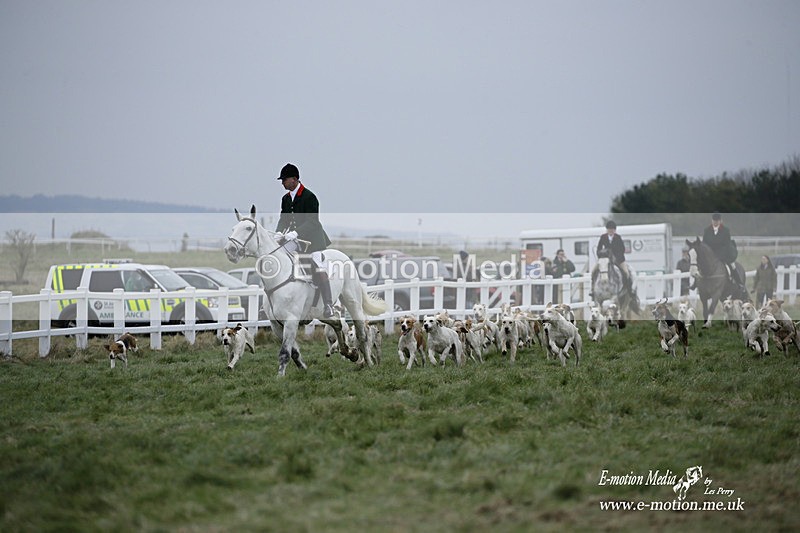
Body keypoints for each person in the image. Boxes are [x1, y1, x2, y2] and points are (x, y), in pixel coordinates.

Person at [274, 162, 336, 318]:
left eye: (284, 180)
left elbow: (313, 222)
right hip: (296, 239)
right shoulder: (286, 199)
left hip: (313, 239)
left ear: (294, 179)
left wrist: (295, 233)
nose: (282, 183)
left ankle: (328, 304)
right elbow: (284, 219)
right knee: (279, 255)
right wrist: (278, 233)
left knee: (317, 263)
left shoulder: (310, 197)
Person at [702, 212, 743, 290]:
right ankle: (696, 283)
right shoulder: (707, 230)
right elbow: (704, 244)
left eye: (717, 221)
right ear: (712, 221)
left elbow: (727, 245)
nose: (715, 222)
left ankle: (739, 283)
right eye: (714, 221)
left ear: (720, 221)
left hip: (723, 254)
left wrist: (720, 256)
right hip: (710, 255)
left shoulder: (725, 230)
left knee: (732, 265)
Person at [593, 220, 631, 290]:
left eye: (612, 229)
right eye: (609, 229)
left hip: (619, 260)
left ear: (614, 230)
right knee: (593, 271)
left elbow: (622, 249)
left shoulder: (618, 237)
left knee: (626, 272)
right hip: (606, 259)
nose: (610, 231)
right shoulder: (603, 237)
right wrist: (601, 255)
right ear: (607, 230)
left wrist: (616, 258)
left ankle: (628, 289)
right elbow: (599, 248)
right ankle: (592, 290)